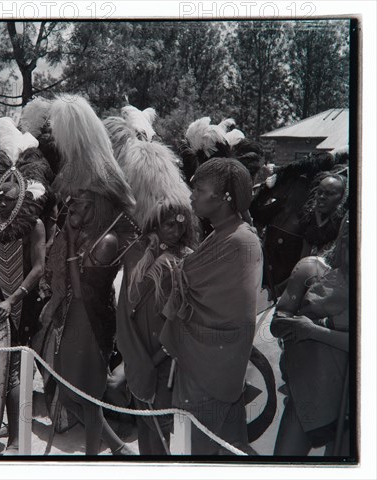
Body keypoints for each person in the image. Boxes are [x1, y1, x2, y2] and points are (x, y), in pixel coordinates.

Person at [41, 95, 136, 455]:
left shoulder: (106, 223)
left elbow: (122, 230)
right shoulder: (80, 179)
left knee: (84, 392)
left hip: (89, 305)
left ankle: (95, 459)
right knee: (70, 388)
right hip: (71, 300)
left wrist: (71, 247)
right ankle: (118, 449)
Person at [108, 108, 200, 454]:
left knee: (158, 434)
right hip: (145, 358)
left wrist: (148, 361)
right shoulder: (149, 260)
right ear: (155, 226)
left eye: (179, 225)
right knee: (148, 430)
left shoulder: (177, 264)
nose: (174, 230)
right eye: (167, 225)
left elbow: (175, 321)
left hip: (163, 363)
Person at [159, 157, 263, 455]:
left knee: (198, 452)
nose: (191, 195)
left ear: (224, 197)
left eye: (199, 189)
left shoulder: (242, 241)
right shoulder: (220, 233)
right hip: (199, 360)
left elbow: (235, 314)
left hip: (211, 366)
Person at [0, 117, 51, 454]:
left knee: (16, 370)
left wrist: (13, 299)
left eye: (9, 197)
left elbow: (39, 268)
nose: (2, 201)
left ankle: (19, 439)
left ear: (23, 195)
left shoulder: (36, 225)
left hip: (22, 304)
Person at [271, 214, 349, 456]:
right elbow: (277, 325)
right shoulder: (313, 269)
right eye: (346, 237)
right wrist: (299, 325)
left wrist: (316, 330)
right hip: (310, 392)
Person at [299, 172, 347, 258]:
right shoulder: (307, 218)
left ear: (342, 198)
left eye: (329, 194)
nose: (322, 197)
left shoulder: (342, 225)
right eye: (320, 192)